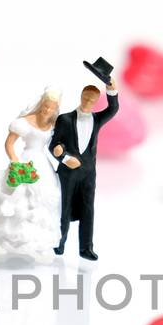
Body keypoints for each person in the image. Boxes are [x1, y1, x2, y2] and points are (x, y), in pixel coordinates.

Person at [0, 88, 63, 260]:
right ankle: (17, 238)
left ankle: (38, 240)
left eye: (51, 108)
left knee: (47, 197)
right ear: (41, 103)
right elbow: (9, 144)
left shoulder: (54, 123)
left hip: (42, 163)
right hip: (26, 160)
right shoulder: (26, 122)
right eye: (45, 106)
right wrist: (14, 160)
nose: (47, 111)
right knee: (22, 196)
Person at [50, 79, 119, 260]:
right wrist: (64, 157)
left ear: (96, 102)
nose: (88, 102)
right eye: (86, 98)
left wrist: (111, 88)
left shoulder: (97, 119)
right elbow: (54, 145)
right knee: (64, 208)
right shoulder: (65, 119)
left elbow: (113, 109)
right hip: (68, 172)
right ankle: (59, 243)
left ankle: (86, 248)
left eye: (92, 100)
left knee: (88, 209)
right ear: (81, 96)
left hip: (89, 173)